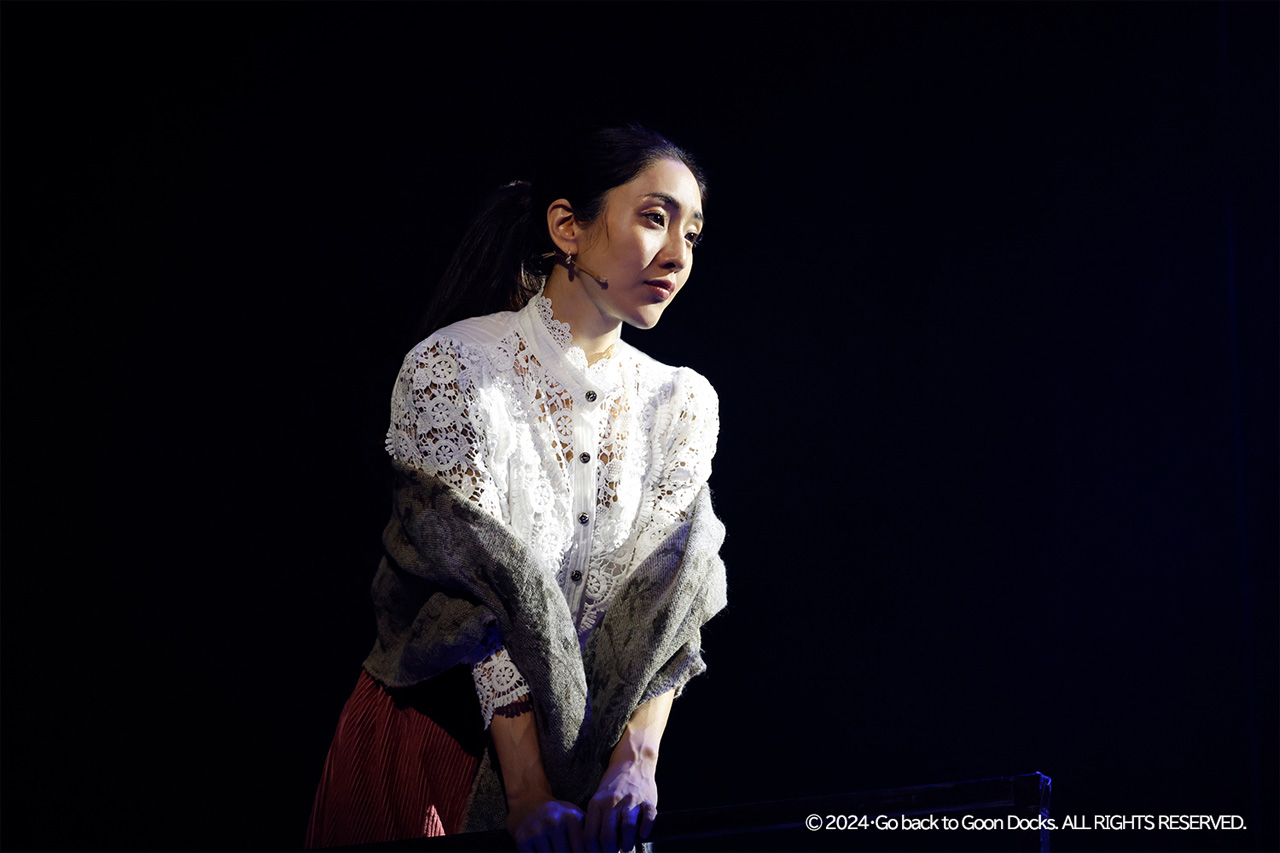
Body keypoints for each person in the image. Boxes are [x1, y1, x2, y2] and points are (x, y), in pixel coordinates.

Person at [305, 124, 727, 853]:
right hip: (439, 744)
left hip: (590, 775)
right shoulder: (456, 366)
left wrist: (636, 764)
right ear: (567, 226)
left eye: (691, 233)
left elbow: (671, 602)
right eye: (655, 218)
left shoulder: (682, 401)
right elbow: (472, 588)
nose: (677, 254)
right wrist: (527, 791)